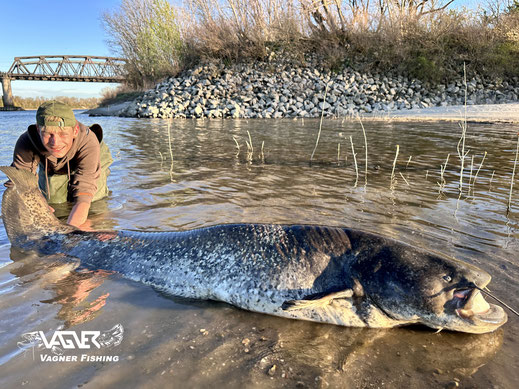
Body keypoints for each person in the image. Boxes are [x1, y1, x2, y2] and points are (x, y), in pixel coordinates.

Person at [9, 100, 112, 228]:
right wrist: (37, 204)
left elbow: (84, 192)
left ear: (75, 131)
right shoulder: (26, 142)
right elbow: (19, 186)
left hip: (90, 156)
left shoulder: (89, 142)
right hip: (51, 162)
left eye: (63, 134)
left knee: (95, 204)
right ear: (38, 129)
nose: (55, 142)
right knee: (54, 203)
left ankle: (94, 223)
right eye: (48, 134)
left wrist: (70, 234)